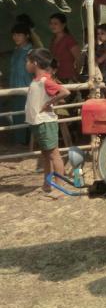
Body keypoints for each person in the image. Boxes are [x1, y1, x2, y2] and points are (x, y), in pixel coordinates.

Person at [25, 49, 70, 198]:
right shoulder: (37, 80)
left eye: (28, 61)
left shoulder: (45, 80)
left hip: (45, 122)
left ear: (35, 63)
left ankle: (59, 186)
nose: (27, 64)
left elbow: (64, 92)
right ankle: (47, 183)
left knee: (54, 155)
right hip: (38, 122)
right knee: (45, 154)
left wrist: (50, 102)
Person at [9, 23, 34, 145]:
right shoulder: (16, 50)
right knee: (18, 117)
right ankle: (21, 143)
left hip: (26, 90)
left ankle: (25, 144)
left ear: (27, 36)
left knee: (25, 118)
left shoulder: (30, 51)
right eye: (14, 35)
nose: (16, 37)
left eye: (19, 34)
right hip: (15, 89)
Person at [48, 12, 81, 82]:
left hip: (69, 76)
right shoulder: (53, 40)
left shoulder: (69, 39)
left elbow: (79, 59)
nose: (52, 26)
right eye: (51, 23)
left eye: (55, 23)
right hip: (56, 77)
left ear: (63, 25)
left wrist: (77, 74)